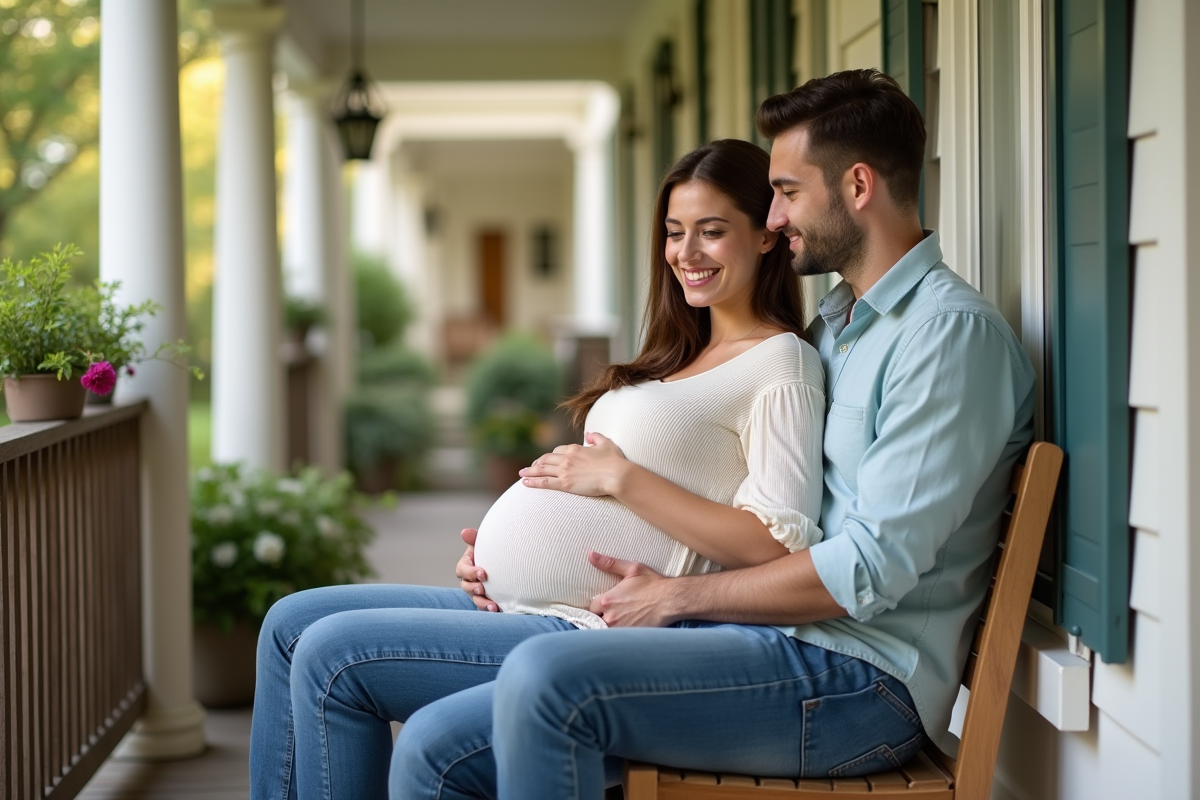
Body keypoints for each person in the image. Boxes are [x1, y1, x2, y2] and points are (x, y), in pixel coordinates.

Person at [446, 68, 1034, 798]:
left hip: (859, 685)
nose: (776, 217)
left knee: (543, 678)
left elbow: (868, 568)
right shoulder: (839, 327)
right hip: (768, 641)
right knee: (439, 749)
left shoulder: (946, 337)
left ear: (857, 186)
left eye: (787, 192)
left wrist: (678, 597)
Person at [249, 138, 826, 800]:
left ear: (766, 235)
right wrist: (493, 556)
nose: (686, 253)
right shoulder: (678, 353)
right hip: (515, 604)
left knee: (334, 657)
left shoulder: (780, 363)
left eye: (711, 231)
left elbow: (777, 545)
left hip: (587, 627)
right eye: (674, 233)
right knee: (289, 625)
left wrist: (621, 479)